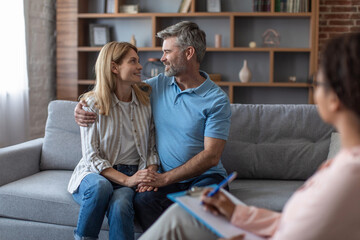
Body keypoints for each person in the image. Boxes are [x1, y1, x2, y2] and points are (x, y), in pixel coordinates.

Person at [138, 32, 360, 240]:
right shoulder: (343, 165)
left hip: (204, 178)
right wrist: (237, 214)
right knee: (176, 213)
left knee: (180, 216)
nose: (163, 58)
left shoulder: (347, 175)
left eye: (316, 82)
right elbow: (288, 224)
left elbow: (290, 234)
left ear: (335, 99)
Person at [74, 21, 232, 230]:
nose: (162, 58)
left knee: (199, 207)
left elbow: (212, 156)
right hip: (165, 178)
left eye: (167, 51)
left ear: (189, 53)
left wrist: (163, 178)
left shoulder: (216, 99)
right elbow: (116, 89)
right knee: (142, 201)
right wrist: (81, 107)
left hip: (204, 178)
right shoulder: (157, 85)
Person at [67, 41, 159, 240]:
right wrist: (128, 180)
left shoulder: (145, 102)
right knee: (102, 187)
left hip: (132, 172)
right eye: (133, 61)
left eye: (139, 61)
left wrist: (148, 175)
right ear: (114, 67)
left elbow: (151, 147)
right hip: (95, 174)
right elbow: (91, 156)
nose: (140, 66)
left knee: (121, 205)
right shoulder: (92, 103)